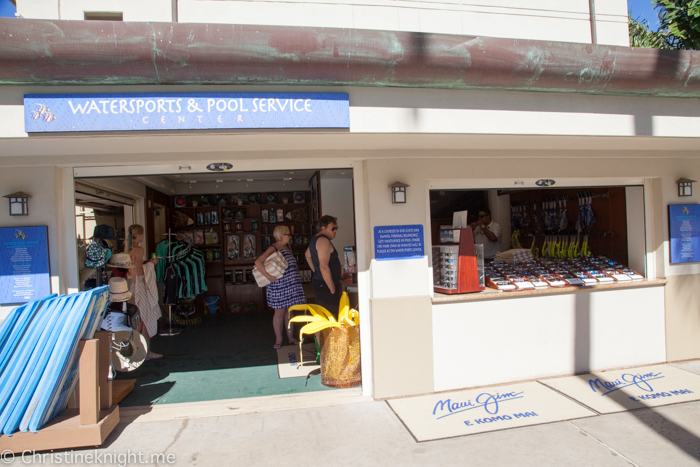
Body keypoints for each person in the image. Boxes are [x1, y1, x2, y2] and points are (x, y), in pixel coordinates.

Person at [255, 225, 307, 349]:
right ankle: (279, 339)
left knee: (289, 311)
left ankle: (290, 337)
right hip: (279, 286)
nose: (290, 236)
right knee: (279, 312)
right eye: (288, 234)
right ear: (282, 235)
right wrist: (268, 276)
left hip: (290, 285)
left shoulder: (287, 247)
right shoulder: (274, 247)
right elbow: (258, 262)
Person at [126, 224, 162, 360]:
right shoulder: (139, 249)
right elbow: (140, 270)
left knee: (138, 319)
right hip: (141, 284)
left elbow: (133, 269)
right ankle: (146, 352)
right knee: (147, 318)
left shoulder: (127, 248)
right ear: (140, 234)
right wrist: (151, 264)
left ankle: (133, 351)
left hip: (133, 284)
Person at [305, 215, 342, 317]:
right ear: (323, 228)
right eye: (333, 228)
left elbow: (307, 255)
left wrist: (316, 271)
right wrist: (332, 289)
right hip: (326, 285)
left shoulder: (315, 240)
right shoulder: (323, 241)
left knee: (322, 316)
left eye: (336, 228)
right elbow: (324, 267)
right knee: (329, 317)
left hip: (321, 282)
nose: (335, 231)